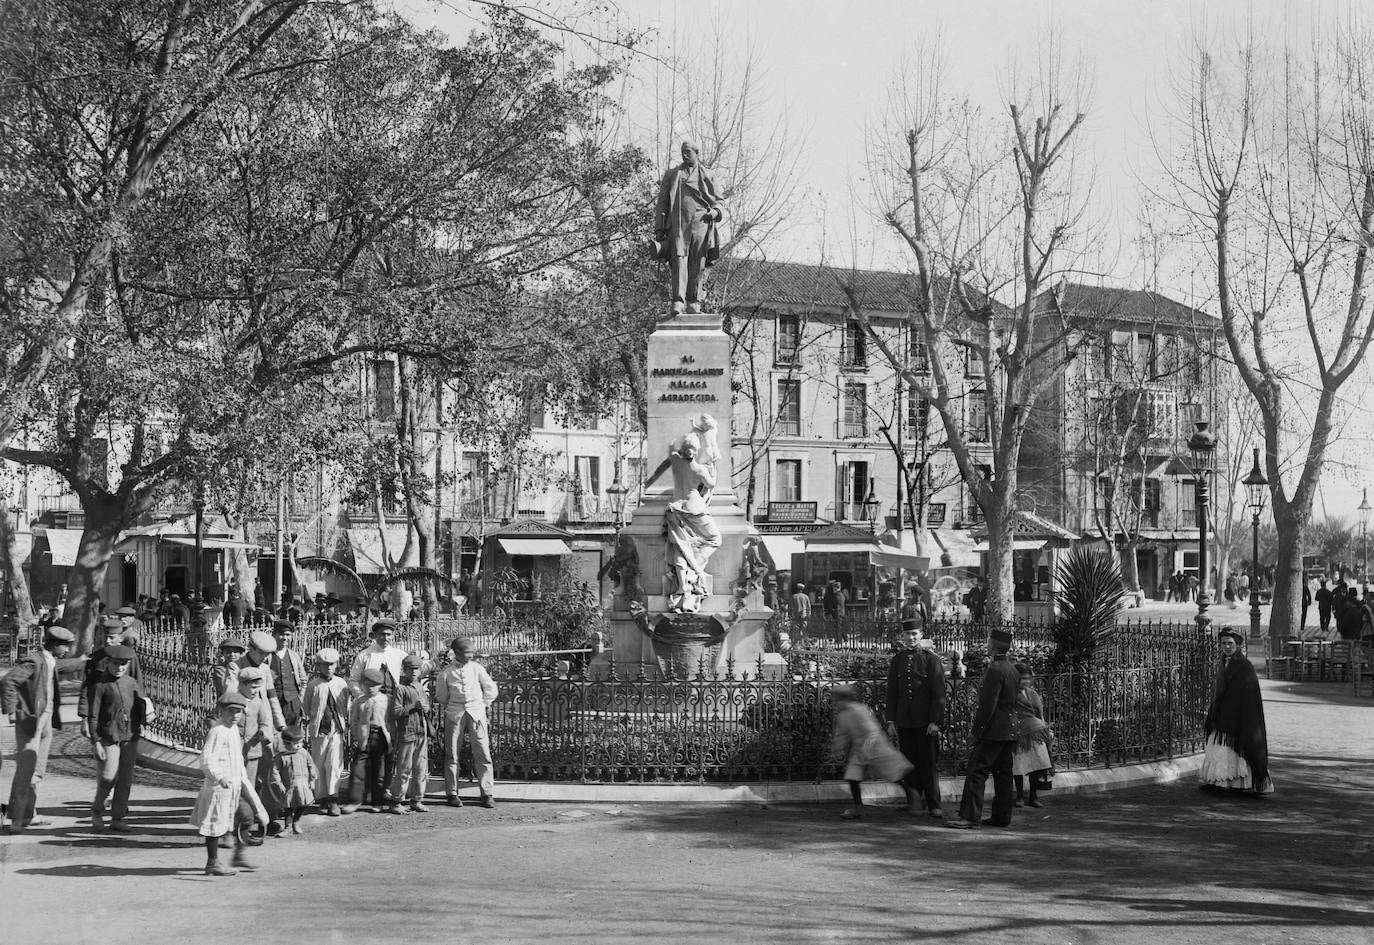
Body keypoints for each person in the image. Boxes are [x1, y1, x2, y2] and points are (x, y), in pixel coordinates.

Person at [1, 627, 87, 832]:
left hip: (45, 721)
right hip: (31, 722)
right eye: (65, 646)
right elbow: (8, 681)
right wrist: (12, 710)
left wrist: (83, 660)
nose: (67, 650)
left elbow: (62, 665)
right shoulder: (34, 661)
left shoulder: (50, 660)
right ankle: (16, 819)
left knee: (37, 771)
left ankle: (29, 815)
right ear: (54, 645)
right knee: (26, 770)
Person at [947, 628, 1019, 830]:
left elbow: (988, 705)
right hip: (1010, 729)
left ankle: (970, 817)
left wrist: (976, 732)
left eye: (989, 642)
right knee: (1003, 774)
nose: (987, 645)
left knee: (976, 771)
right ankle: (1002, 816)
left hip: (994, 730)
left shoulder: (995, 669)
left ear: (994, 646)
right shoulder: (1012, 669)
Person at [191, 691, 268, 875]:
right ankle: (213, 863)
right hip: (218, 787)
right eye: (231, 711)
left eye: (239, 712)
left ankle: (238, 856)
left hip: (235, 784)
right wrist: (219, 777)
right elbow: (206, 760)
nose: (235, 716)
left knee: (247, 815)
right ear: (221, 711)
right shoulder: (217, 731)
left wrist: (241, 781)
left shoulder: (233, 730)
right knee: (215, 824)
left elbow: (237, 760)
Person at [653, 140, 725, 315]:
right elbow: (662, 203)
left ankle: (694, 301)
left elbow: (719, 201)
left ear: (696, 153)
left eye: (688, 152)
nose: (684, 155)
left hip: (701, 222)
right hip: (679, 224)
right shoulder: (672, 175)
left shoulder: (708, 174)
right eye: (682, 151)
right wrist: (659, 229)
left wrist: (715, 212)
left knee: (697, 263)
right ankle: (678, 301)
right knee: (679, 260)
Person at [884, 616, 946, 818]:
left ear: (921, 634)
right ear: (902, 636)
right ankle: (914, 801)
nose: (911, 637)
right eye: (907, 634)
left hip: (925, 722)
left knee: (928, 763)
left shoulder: (931, 659)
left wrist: (935, 721)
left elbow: (938, 694)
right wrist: (891, 720)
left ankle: (933, 803)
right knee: (909, 763)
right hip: (905, 720)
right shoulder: (898, 660)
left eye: (914, 634)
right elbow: (892, 692)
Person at [1199, 628, 1274, 795]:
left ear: (1238, 645)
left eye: (1230, 643)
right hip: (1223, 712)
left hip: (1239, 714)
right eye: (1224, 643)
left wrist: (1237, 714)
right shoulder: (1224, 662)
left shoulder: (1244, 665)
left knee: (1235, 749)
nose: (1227, 647)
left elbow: (1247, 694)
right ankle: (1220, 782)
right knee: (1219, 747)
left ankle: (1237, 784)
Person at [88, 644, 149, 832]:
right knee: (108, 777)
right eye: (116, 664)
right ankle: (97, 811)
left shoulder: (131, 682)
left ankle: (118, 818)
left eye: (124, 664)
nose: (120, 668)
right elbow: (93, 716)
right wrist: (96, 741)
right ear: (108, 663)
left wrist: (148, 716)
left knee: (125, 779)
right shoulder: (99, 685)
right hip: (108, 737)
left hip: (130, 736)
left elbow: (142, 704)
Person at [830, 684, 913, 819]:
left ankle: (914, 802)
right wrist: (837, 748)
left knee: (894, 775)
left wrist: (866, 751)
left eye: (838, 699)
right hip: (861, 749)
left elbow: (872, 731)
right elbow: (842, 735)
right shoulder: (843, 715)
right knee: (852, 777)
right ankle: (858, 808)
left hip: (876, 747)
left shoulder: (859, 710)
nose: (836, 703)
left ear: (844, 699)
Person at [435, 638, 499, 809]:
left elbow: (491, 688)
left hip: (476, 714)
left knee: (483, 753)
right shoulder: (446, 673)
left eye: (471, 653)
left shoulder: (477, 669)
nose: (470, 656)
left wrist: (483, 704)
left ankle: (487, 793)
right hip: (455, 715)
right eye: (466, 653)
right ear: (456, 653)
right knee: (452, 754)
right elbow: (441, 697)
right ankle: (452, 793)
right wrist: (454, 708)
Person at [302, 647, 350, 817]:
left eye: (331, 665)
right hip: (320, 730)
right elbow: (307, 707)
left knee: (334, 763)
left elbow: (345, 704)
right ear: (318, 666)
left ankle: (333, 798)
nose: (328, 668)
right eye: (324, 665)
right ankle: (321, 798)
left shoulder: (341, 683)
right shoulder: (313, 685)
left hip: (336, 729)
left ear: (336, 665)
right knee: (319, 762)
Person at [388, 654, 432, 814]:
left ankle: (417, 800)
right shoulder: (400, 689)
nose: (414, 672)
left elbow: (425, 706)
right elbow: (395, 712)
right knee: (404, 769)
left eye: (416, 669)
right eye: (410, 669)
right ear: (404, 670)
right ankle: (397, 801)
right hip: (407, 733)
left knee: (421, 768)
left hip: (421, 731)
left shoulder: (419, 686)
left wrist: (426, 708)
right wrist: (414, 706)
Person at [346, 667, 391, 813]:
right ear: (363, 685)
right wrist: (355, 736)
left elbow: (389, 720)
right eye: (368, 685)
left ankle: (377, 801)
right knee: (358, 769)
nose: (371, 688)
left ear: (381, 686)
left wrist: (391, 739)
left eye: (375, 685)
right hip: (364, 737)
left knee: (380, 770)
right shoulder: (359, 701)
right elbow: (353, 721)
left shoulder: (385, 700)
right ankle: (355, 800)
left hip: (380, 736)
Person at [1011, 663, 1054, 809]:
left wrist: (1045, 729)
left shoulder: (1033, 694)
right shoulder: (1011, 695)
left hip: (1036, 733)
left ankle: (1034, 795)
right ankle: (1019, 795)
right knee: (1019, 765)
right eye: (1023, 679)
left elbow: (1039, 714)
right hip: (1020, 734)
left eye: (1028, 679)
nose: (1026, 682)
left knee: (1037, 765)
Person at [268, 725, 317, 835]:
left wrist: (312, 780)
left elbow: (311, 765)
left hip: (303, 785)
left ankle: (296, 821)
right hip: (288, 786)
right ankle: (288, 826)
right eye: (296, 743)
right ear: (286, 743)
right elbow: (275, 770)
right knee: (288, 807)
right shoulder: (281, 756)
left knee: (304, 803)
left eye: (300, 742)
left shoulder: (304, 753)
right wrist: (279, 783)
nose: (299, 745)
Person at [349, 619, 407, 696]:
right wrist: (361, 696)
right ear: (375, 635)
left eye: (389, 635)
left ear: (393, 636)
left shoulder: (399, 654)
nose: (386, 638)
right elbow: (353, 680)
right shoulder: (365, 655)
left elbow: (414, 671)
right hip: (372, 700)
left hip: (394, 700)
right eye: (382, 634)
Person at [269, 619, 308, 726]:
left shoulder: (294, 656)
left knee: (291, 734)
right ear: (274, 635)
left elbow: (303, 680)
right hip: (272, 702)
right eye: (281, 634)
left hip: (292, 702)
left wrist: (299, 698)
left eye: (288, 635)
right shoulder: (267, 656)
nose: (285, 638)